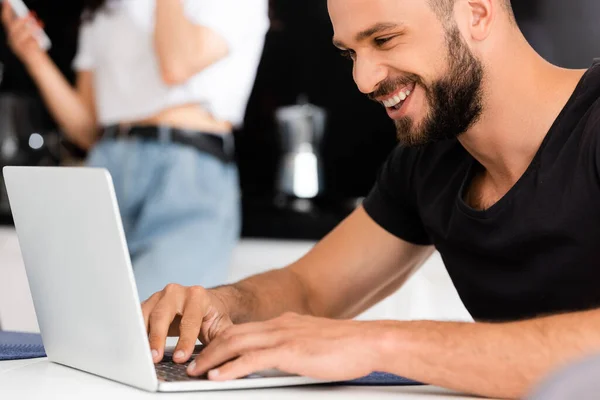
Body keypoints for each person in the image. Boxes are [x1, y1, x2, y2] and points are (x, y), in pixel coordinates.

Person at [142, 0, 600, 398]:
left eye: (384, 39)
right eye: (351, 53)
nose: (363, 79)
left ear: (476, 14)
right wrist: (220, 304)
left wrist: (379, 344)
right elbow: (312, 289)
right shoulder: (427, 162)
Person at [1, 0, 269, 300]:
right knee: (84, 322)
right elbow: (88, 129)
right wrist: (34, 57)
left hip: (186, 175)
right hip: (107, 167)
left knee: (154, 325)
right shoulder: (106, 9)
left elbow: (176, 64)